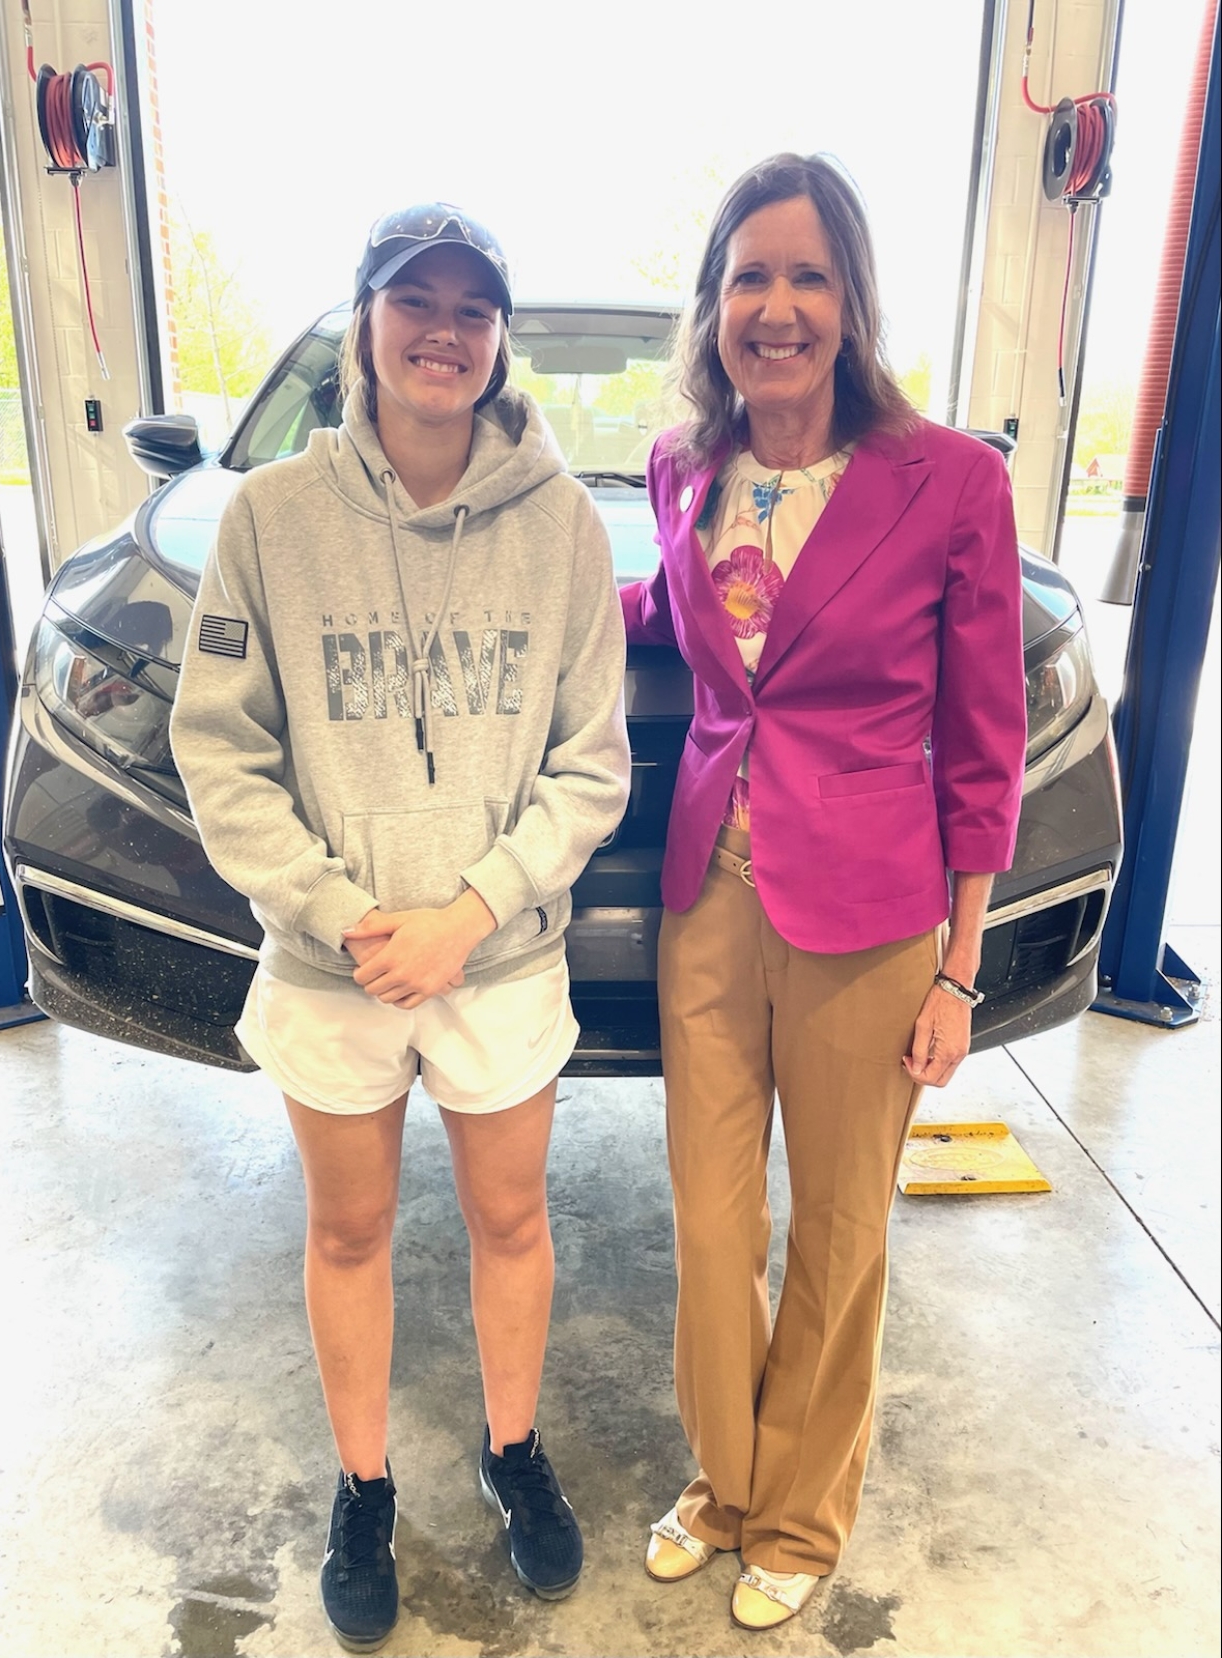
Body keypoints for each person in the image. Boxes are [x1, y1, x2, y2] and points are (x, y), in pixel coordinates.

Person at [170, 204, 630, 1651]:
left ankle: (510, 1449)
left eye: (474, 307)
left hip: (497, 957)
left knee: (510, 1217)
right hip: (335, 960)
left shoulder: (561, 524)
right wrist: (350, 910)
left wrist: (471, 911)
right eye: (413, 299)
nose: (445, 328)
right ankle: (364, 1483)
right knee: (349, 1225)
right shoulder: (268, 520)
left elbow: (591, 760)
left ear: (501, 341)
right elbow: (221, 753)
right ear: (363, 321)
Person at [622, 154, 1027, 1631]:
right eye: (749, 277)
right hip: (706, 895)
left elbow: (988, 744)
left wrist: (960, 969)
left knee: (840, 1230)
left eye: (805, 276)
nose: (775, 307)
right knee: (712, 1226)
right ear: (714, 304)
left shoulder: (951, 481)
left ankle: (797, 1512)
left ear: (850, 299)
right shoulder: (684, 468)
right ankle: (723, 1483)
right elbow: (669, 613)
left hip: (873, 915)